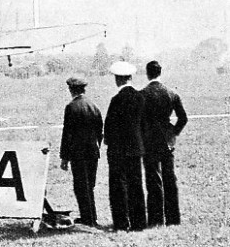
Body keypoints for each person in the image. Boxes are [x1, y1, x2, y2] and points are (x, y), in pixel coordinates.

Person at [141, 60, 188, 226]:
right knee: (169, 178)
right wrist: (173, 133)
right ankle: (173, 219)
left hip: (149, 142)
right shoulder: (172, 93)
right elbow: (183, 118)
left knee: (153, 179)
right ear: (160, 72)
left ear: (147, 73)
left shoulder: (142, 94)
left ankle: (156, 219)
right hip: (167, 141)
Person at [104, 61, 147, 231]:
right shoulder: (140, 98)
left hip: (118, 150)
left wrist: (108, 141)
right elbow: (144, 125)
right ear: (130, 77)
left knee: (119, 186)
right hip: (136, 148)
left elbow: (109, 126)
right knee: (136, 185)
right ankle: (139, 222)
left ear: (118, 79)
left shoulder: (116, 100)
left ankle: (121, 222)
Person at [59, 76, 103, 227]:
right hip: (93, 152)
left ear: (71, 90)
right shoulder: (94, 106)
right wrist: (98, 147)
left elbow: (67, 134)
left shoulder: (71, 107)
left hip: (78, 153)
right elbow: (100, 131)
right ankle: (92, 216)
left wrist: (64, 158)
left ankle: (87, 218)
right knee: (90, 185)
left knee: (80, 185)